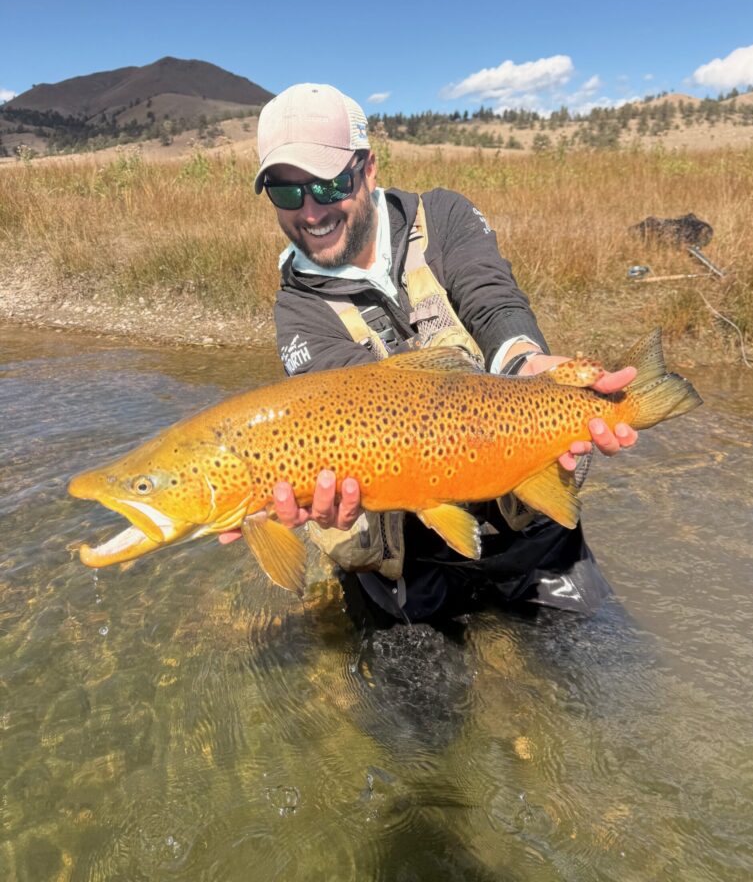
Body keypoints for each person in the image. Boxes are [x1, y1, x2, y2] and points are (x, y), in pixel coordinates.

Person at [219, 83, 638, 626]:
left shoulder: (442, 217)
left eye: (327, 184)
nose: (311, 210)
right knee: (410, 707)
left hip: (521, 511)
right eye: (286, 191)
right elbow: (359, 407)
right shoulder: (297, 308)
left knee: (603, 676)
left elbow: (492, 303)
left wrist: (529, 366)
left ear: (368, 169)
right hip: (409, 555)